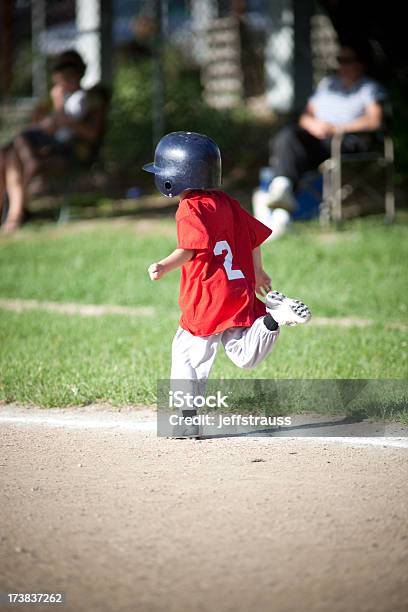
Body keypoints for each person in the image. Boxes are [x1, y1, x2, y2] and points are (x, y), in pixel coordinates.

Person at [143, 132, 311, 436]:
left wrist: (163, 266)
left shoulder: (190, 208)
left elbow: (190, 250)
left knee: (186, 353)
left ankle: (187, 418)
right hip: (238, 289)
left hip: (207, 298)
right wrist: (258, 272)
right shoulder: (227, 202)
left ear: (175, 177)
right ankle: (274, 319)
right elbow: (253, 237)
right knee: (244, 355)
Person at [254, 43, 387, 231]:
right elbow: (305, 117)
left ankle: (278, 207)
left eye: (347, 60)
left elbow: (375, 120)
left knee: (293, 152)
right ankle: (281, 189)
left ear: (361, 64)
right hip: (319, 139)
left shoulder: (369, 88)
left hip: (348, 140)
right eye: (340, 60)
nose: (342, 65)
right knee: (287, 136)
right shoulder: (328, 85)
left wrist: (338, 128)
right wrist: (314, 125)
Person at [0, 50, 106, 233]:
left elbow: (90, 134)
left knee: (12, 155)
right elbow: (37, 127)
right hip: (43, 149)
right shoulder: (54, 97)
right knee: (6, 154)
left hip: (70, 152)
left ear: (79, 73)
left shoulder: (88, 99)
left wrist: (64, 117)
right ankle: (13, 212)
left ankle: (14, 214)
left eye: (69, 73)